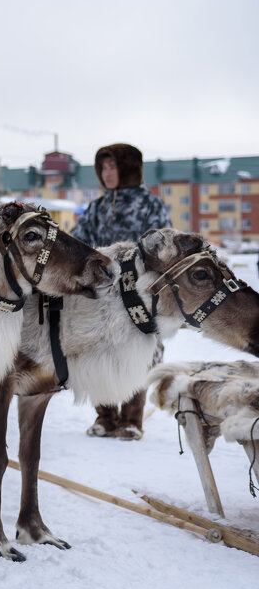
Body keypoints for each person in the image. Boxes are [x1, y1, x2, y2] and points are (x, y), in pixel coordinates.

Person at [71, 143, 171, 440]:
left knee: (136, 353)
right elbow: (79, 243)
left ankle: (131, 419)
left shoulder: (151, 205)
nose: (107, 173)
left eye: (113, 166)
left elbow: (164, 249)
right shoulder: (97, 207)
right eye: (103, 167)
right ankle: (105, 416)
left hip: (138, 292)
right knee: (98, 351)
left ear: (128, 168)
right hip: (103, 294)